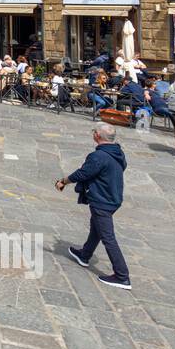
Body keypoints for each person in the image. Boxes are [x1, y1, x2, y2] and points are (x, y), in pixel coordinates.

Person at [59, 123, 130, 290]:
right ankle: (84, 255)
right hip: (113, 197)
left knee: (108, 237)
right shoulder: (118, 152)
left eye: (94, 132)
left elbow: (83, 173)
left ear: (97, 136)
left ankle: (122, 276)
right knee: (96, 228)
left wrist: (64, 181)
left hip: (102, 201)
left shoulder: (98, 156)